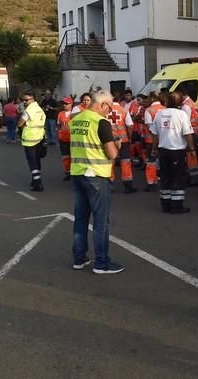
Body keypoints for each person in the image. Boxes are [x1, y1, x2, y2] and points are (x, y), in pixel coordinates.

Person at [69, 89, 124, 274]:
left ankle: (79, 258)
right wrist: (117, 145)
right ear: (103, 104)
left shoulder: (75, 119)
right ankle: (102, 263)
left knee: (80, 219)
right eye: (109, 108)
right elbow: (112, 154)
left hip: (77, 173)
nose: (109, 112)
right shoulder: (101, 122)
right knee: (101, 222)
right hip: (97, 177)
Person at [150, 91, 195, 214]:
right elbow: (187, 133)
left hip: (163, 151)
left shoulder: (160, 114)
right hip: (177, 152)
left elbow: (154, 133)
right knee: (177, 178)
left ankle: (165, 205)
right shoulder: (182, 115)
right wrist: (192, 149)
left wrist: (154, 148)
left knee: (165, 178)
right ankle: (176, 206)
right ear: (180, 102)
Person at [17, 91, 46, 192]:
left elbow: (20, 123)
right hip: (40, 138)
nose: (24, 102)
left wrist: (23, 124)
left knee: (32, 161)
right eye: (23, 100)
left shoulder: (29, 110)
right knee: (37, 160)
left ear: (32, 99)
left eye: (26, 100)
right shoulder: (39, 109)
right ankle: (35, 180)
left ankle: (38, 183)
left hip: (30, 139)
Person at [107, 100, 138, 193]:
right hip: (123, 140)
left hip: (109, 140)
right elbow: (130, 125)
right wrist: (129, 137)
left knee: (110, 162)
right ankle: (127, 185)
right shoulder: (123, 110)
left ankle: (109, 185)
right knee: (125, 162)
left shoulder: (104, 110)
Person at [177, 85, 198, 185]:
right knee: (192, 156)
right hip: (194, 131)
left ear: (181, 94)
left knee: (190, 155)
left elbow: (184, 122)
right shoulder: (190, 102)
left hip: (190, 133)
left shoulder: (185, 106)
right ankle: (193, 177)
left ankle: (193, 178)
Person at [143, 91, 166, 192]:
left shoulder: (149, 110)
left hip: (151, 140)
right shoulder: (165, 109)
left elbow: (149, 126)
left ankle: (151, 183)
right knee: (163, 161)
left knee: (151, 162)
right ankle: (164, 180)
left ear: (152, 99)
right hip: (165, 140)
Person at [57, 97, 74, 180]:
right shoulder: (60, 114)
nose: (64, 105)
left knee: (73, 156)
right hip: (63, 139)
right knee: (65, 157)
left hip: (72, 139)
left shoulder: (74, 114)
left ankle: (74, 173)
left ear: (71, 104)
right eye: (63, 103)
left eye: (66, 104)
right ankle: (67, 172)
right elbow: (58, 125)